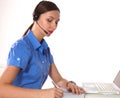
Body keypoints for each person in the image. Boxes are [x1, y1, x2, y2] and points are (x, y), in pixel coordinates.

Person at [0, 0, 85, 98]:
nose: (54, 26)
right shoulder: (21, 47)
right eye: (49, 20)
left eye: (56, 22)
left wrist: (69, 84)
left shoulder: (45, 48)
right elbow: (1, 89)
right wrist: (43, 94)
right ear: (36, 17)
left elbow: (59, 80)